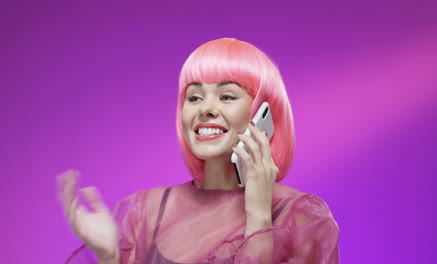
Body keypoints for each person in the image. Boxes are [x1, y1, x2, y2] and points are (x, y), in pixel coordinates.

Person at [57, 38, 340, 264]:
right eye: (194, 97)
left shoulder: (301, 217)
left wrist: (258, 217)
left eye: (227, 95)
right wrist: (109, 258)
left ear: (263, 112)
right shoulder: (144, 212)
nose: (205, 108)